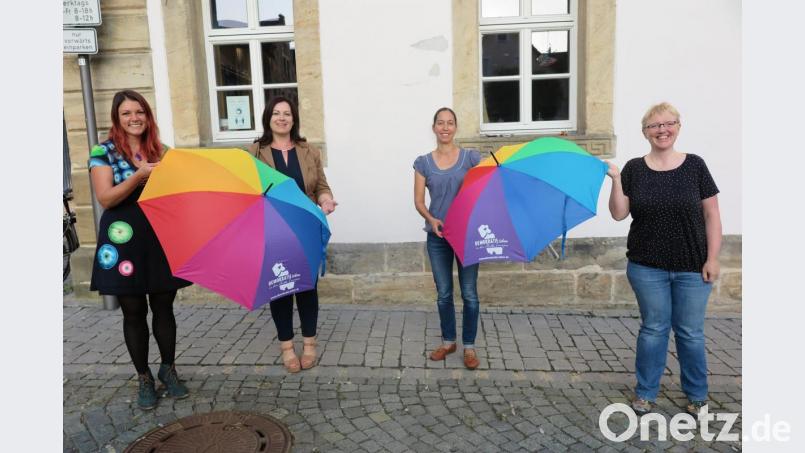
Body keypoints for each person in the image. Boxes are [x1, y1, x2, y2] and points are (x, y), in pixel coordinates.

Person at [606, 102, 722, 415]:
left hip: (692, 266)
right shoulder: (634, 168)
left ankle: (697, 396)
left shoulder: (695, 165)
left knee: (690, 332)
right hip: (646, 266)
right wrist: (616, 180)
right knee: (654, 329)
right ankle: (645, 393)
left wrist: (713, 258)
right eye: (655, 126)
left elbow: (712, 215)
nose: (662, 130)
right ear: (645, 132)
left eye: (668, 123)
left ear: (678, 127)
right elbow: (618, 214)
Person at [89, 90, 192, 410]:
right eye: (126, 113)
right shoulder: (102, 151)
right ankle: (144, 377)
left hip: (160, 233)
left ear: (148, 116)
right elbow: (106, 198)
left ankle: (168, 369)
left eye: (140, 112)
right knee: (133, 310)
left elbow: (179, 193)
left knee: (164, 305)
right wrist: (140, 175)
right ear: (116, 119)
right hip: (123, 237)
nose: (134, 118)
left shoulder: (163, 151)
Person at [248, 96, 337, 373]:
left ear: (294, 118)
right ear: (268, 118)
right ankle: (287, 347)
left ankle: (310, 344)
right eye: (277, 113)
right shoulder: (255, 152)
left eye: (287, 113)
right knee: (281, 289)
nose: (282, 118)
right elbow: (247, 190)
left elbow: (321, 185)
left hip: (305, 228)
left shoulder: (308, 150)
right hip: (272, 231)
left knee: (307, 289)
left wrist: (326, 199)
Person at [413, 107, 482, 370]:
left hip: (467, 236)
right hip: (438, 236)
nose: (445, 127)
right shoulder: (423, 163)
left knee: (470, 294)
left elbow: (483, 188)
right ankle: (448, 341)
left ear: (456, 127)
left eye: (450, 123)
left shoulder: (471, 158)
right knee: (444, 294)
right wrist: (432, 221)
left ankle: (469, 347)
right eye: (440, 123)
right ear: (434, 128)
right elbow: (419, 201)